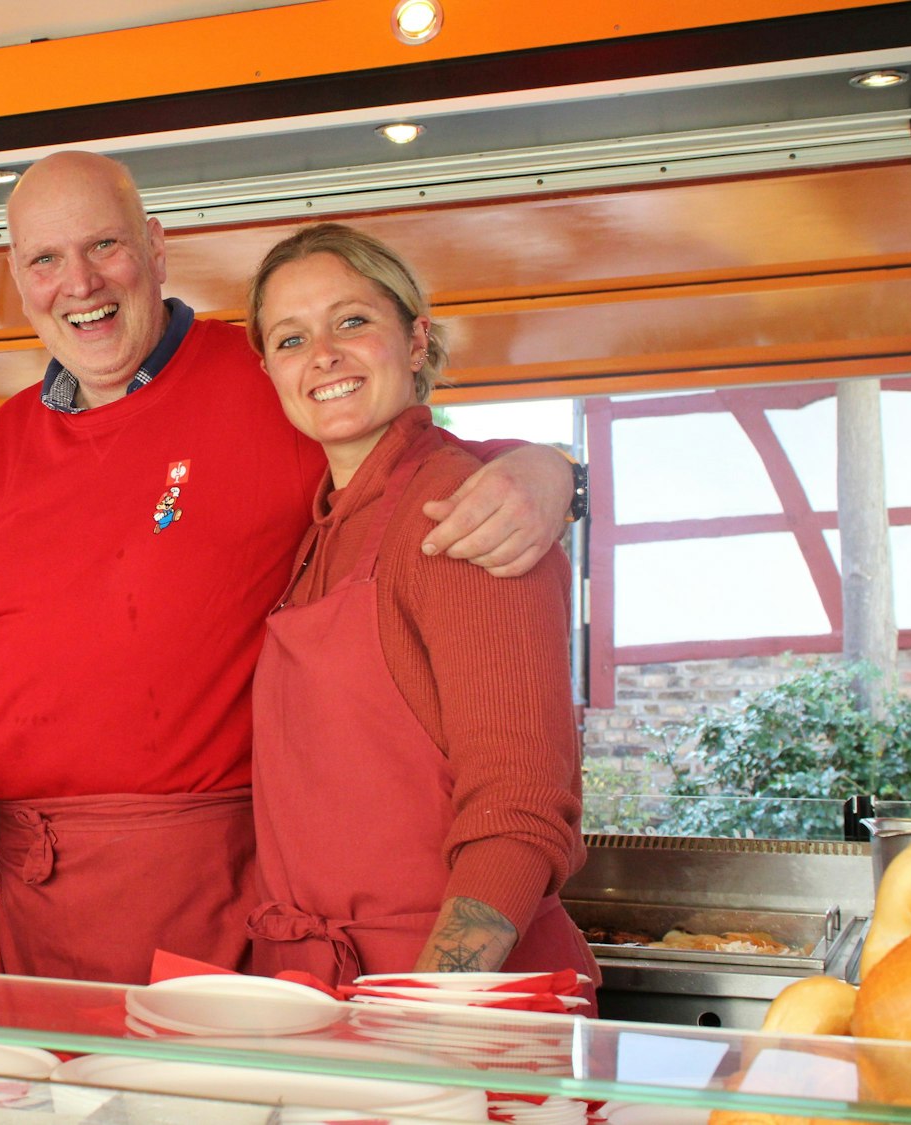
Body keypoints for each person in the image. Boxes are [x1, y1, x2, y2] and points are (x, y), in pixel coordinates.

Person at [0, 151, 579, 985]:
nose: (79, 281)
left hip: (222, 890)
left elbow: (407, 452)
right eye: (45, 258)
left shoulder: (265, 378)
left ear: (156, 247)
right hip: (36, 892)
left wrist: (550, 471)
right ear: (18, 276)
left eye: (104, 245)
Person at [241, 223, 597, 990]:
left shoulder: (468, 511)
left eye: (352, 321)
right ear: (269, 368)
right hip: (329, 998)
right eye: (291, 337)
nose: (324, 355)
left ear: (414, 341)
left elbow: (519, 810)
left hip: (458, 1005)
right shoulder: (317, 533)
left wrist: (424, 1010)